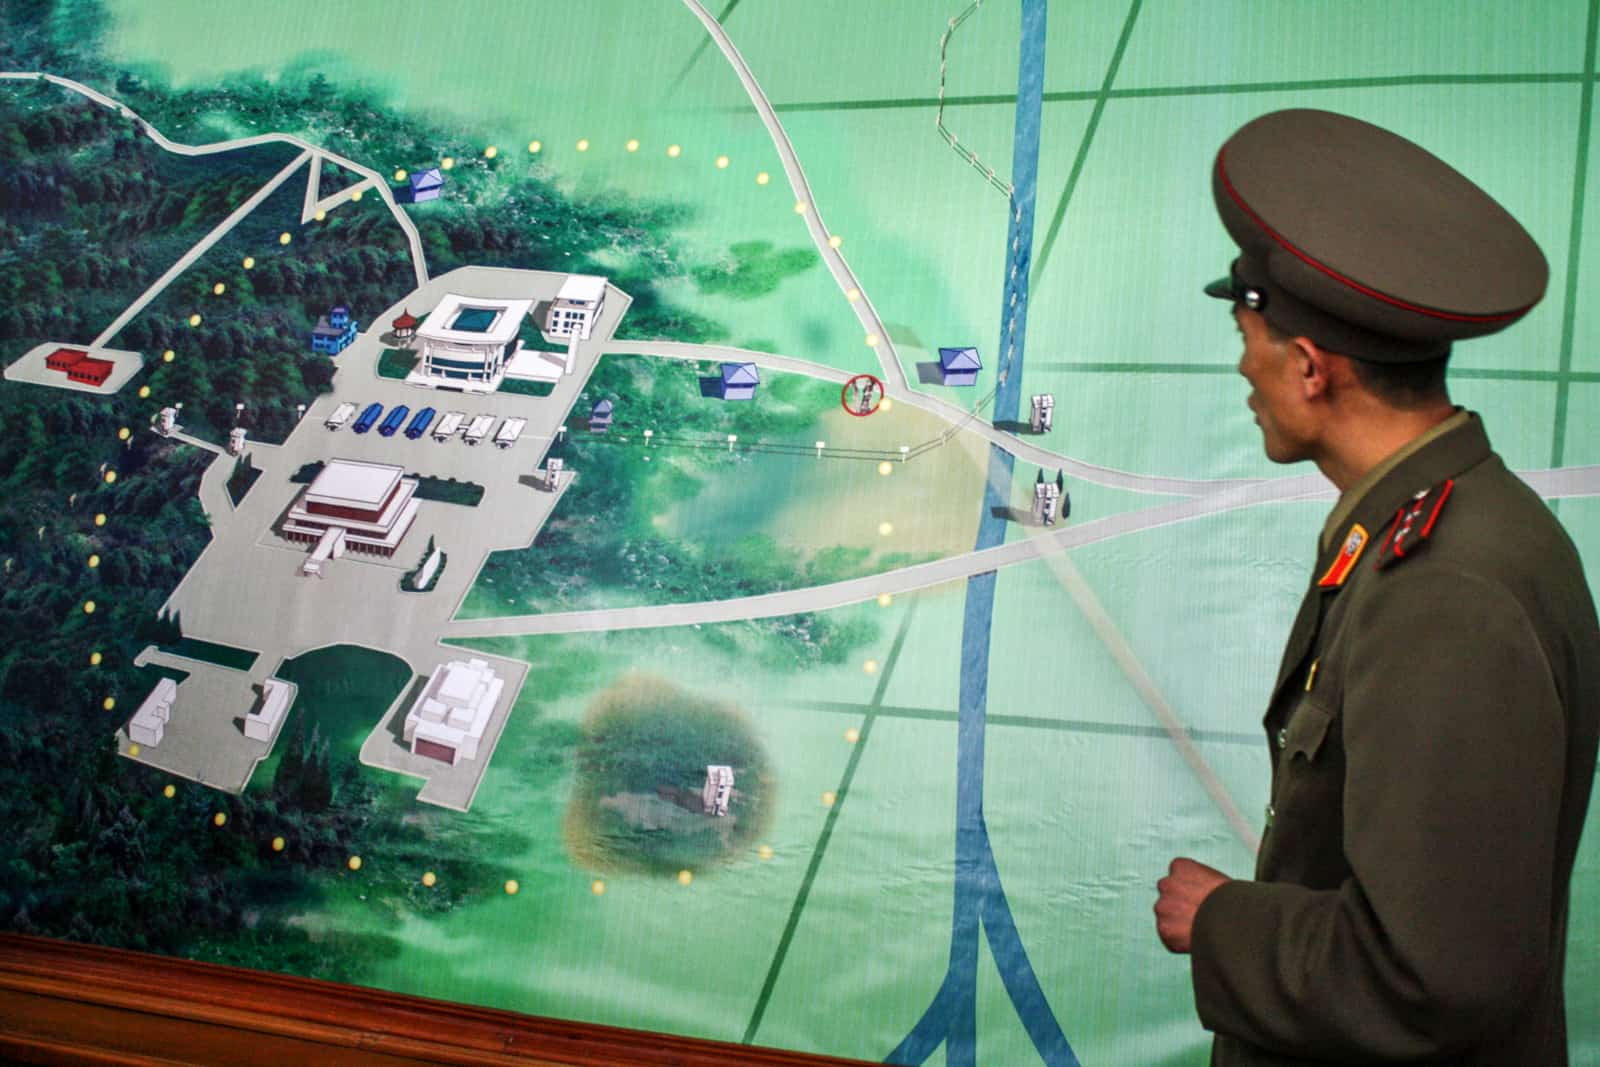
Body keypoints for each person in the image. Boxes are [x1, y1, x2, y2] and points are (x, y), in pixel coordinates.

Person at [1152, 108, 1600, 1065]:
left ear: (1310, 367)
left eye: (1247, 335)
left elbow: (1433, 976)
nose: (1241, 365)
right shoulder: (1451, 524)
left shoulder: (1446, 587)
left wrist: (1225, 922)